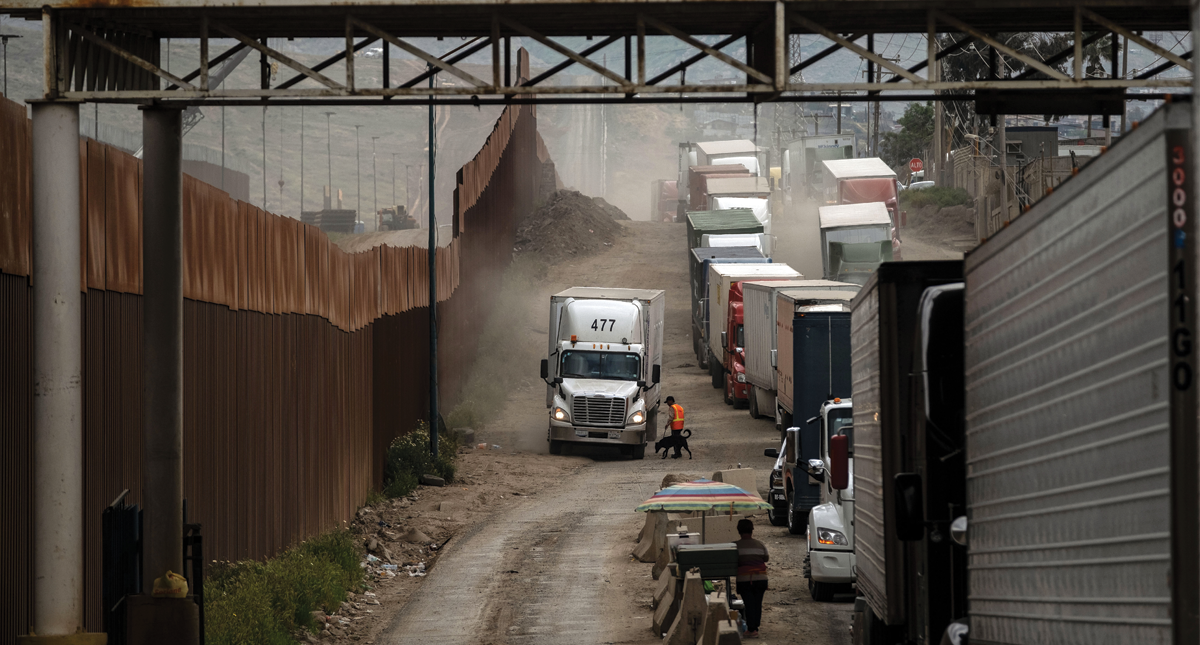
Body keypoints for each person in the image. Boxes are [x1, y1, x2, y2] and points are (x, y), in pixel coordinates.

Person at [735, 518, 769, 639]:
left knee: (749, 604)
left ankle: (751, 629)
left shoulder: (735, 546)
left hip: (744, 580)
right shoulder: (760, 544)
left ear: (739, 531)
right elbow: (766, 558)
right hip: (761, 579)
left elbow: (733, 561)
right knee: (757, 603)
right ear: (752, 531)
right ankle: (754, 627)